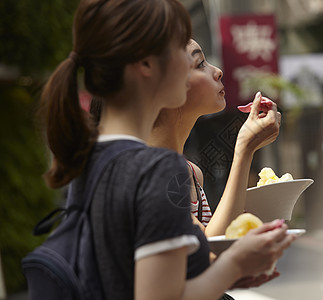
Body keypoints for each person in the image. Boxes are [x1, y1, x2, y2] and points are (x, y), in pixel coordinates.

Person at [40, 1, 295, 300]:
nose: (215, 70)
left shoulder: (95, 161)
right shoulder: (155, 168)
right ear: (146, 65)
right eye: (193, 60)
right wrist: (236, 265)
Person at [149, 39, 282, 237]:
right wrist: (244, 149)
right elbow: (208, 249)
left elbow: (211, 246)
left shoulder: (193, 172)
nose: (218, 71)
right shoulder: (150, 170)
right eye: (200, 63)